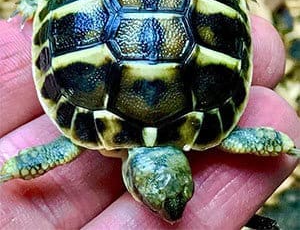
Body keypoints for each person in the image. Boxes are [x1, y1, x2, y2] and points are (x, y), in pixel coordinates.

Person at [0, 15, 299, 229]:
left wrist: (13, 169)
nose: (172, 215)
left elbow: (44, 156)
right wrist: (279, 144)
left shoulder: (214, 134)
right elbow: (236, 139)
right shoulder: (217, 133)